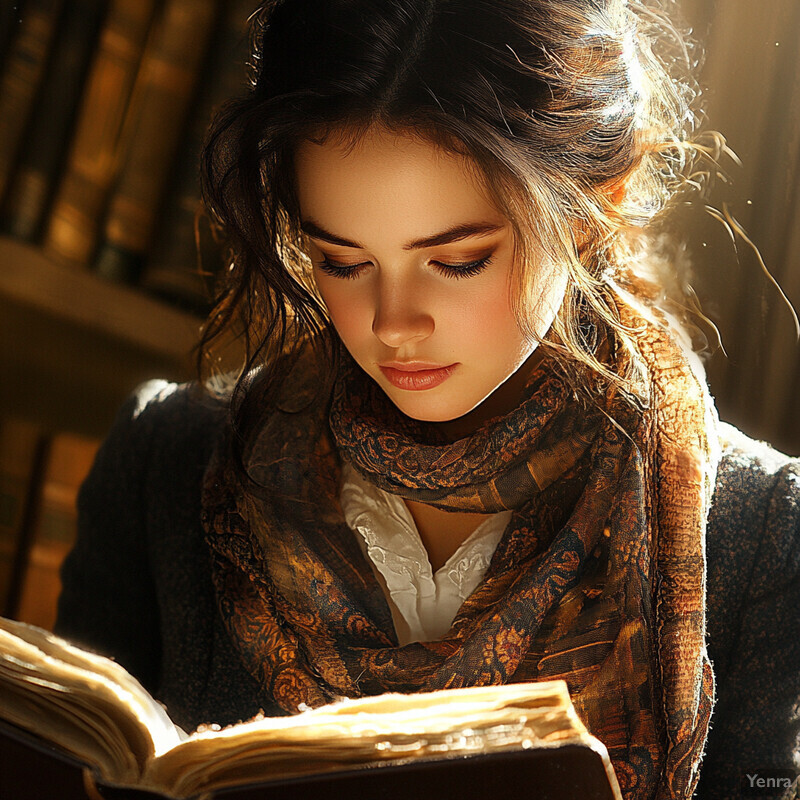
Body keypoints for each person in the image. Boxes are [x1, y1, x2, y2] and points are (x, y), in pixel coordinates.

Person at [55, 1, 800, 799]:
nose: (392, 324)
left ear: (597, 208)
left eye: (457, 261)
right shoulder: (165, 465)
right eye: (342, 262)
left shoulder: (762, 540)